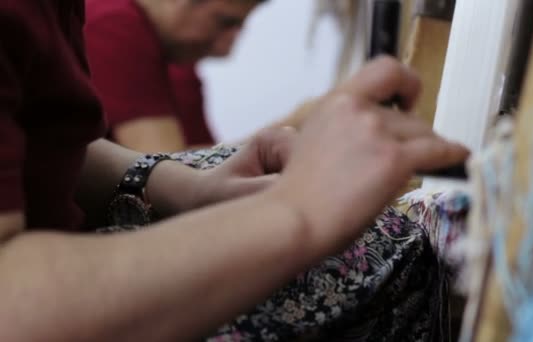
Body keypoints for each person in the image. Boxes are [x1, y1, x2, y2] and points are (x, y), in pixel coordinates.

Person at [0, 1, 468, 340]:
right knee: (374, 263)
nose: (228, 47)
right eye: (228, 22)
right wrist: (296, 212)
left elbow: (49, 148)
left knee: (388, 247)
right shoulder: (115, 26)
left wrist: (188, 188)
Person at [84, 0, 265, 152]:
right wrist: (285, 131)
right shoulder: (116, 26)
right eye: (224, 22)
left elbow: (194, 164)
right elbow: (162, 170)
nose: (225, 50)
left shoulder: (179, 70)